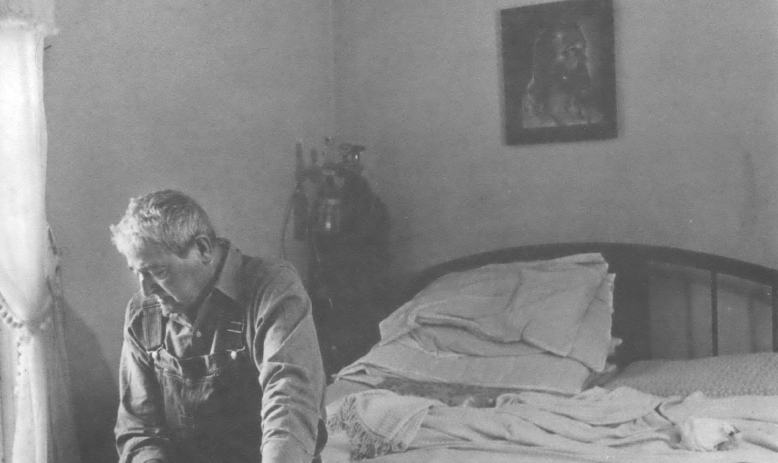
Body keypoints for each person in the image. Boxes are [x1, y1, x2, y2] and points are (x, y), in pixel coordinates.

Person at [111, 189, 327, 463]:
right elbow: (139, 429)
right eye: (138, 274)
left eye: (158, 272)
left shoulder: (272, 289)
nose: (147, 290)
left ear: (202, 249)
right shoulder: (143, 313)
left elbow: (289, 400)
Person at [521, 20, 604, 128]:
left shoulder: (593, 115)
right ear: (547, 62)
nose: (584, 58)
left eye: (583, 49)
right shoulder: (530, 118)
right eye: (572, 50)